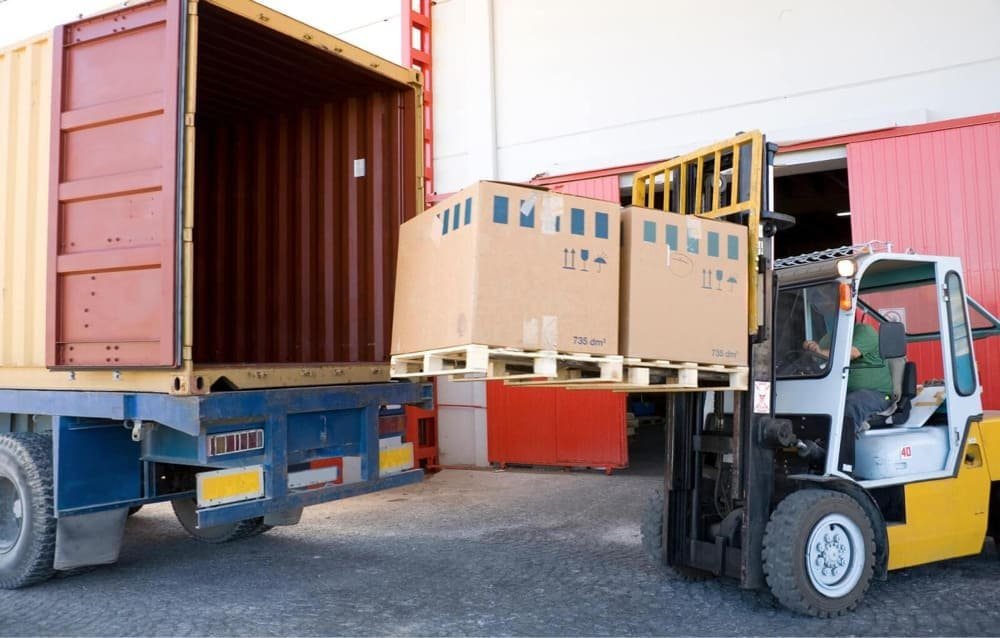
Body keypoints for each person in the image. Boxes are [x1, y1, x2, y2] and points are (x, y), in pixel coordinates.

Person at [804, 322, 893, 433]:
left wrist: (820, 352)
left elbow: (852, 353)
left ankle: (843, 446)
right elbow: (818, 361)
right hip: (842, 394)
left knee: (853, 402)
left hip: (880, 396)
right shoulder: (827, 338)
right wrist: (811, 351)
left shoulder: (864, 331)